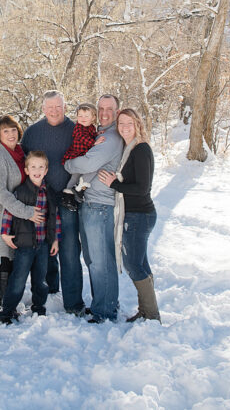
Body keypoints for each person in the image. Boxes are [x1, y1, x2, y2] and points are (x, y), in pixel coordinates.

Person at [22, 90, 84, 315]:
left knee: (68, 250)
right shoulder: (32, 133)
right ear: (43, 109)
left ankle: (74, 303)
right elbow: (24, 164)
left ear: (65, 107)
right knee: (43, 248)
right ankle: (46, 290)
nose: (54, 111)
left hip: (67, 198)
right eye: (50, 108)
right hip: (41, 199)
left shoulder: (76, 131)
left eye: (58, 107)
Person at [64, 94, 124, 323]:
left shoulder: (111, 137)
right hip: (89, 202)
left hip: (100, 205)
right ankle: (103, 302)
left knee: (101, 260)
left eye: (110, 108)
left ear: (117, 111)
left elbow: (87, 162)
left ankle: (105, 310)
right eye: (102, 108)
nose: (105, 112)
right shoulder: (98, 133)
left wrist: (68, 163)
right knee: (92, 259)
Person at [97, 108, 160, 322]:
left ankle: (151, 314)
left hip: (139, 215)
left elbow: (142, 188)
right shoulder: (128, 148)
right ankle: (146, 310)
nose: (124, 127)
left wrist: (114, 184)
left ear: (138, 125)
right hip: (135, 214)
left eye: (129, 123)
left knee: (133, 264)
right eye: (121, 123)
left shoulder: (141, 149)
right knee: (141, 264)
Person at [0, 114, 45, 313]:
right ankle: (5, 304)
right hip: (1, 211)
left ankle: (10, 301)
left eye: (13, 130)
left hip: (16, 210)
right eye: (5, 131)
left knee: (13, 255)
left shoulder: (19, 152)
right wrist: (26, 212)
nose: (10, 134)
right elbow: (0, 192)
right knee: (7, 256)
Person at [0, 151, 61, 323]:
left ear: (46, 170)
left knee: (40, 280)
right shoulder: (20, 191)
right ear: (26, 170)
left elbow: (54, 217)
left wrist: (55, 238)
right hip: (24, 245)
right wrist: (5, 232)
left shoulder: (50, 193)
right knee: (18, 280)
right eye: (33, 166)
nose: (37, 170)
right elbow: (9, 212)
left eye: (41, 167)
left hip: (43, 244)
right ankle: (7, 311)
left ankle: (38, 307)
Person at [60, 102, 98, 206]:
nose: (83, 118)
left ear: (93, 118)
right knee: (75, 176)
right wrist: (94, 142)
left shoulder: (91, 127)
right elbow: (82, 137)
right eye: (80, 115)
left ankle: (75, 191)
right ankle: (67, 196)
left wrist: (98, 134)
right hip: (76, 155)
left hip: (83, 156)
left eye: (86, 116)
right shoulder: (78, 127)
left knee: (80, 175)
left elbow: (92, 135)